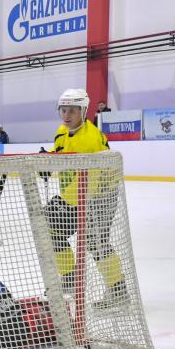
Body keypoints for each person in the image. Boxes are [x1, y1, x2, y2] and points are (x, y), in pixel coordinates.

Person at [46, 88, 126, 309]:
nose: (66, 115)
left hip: (100, 195)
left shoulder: (89, 138)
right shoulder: (63, 130)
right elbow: (60, 151)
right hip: (77, 194)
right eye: (63, 110)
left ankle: (119, 292)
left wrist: (63, 204)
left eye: (72, 110)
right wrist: (46, 161)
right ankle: (70, 278)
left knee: (96, 242)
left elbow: (88, 182)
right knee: (50, 228)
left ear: (83, 111)